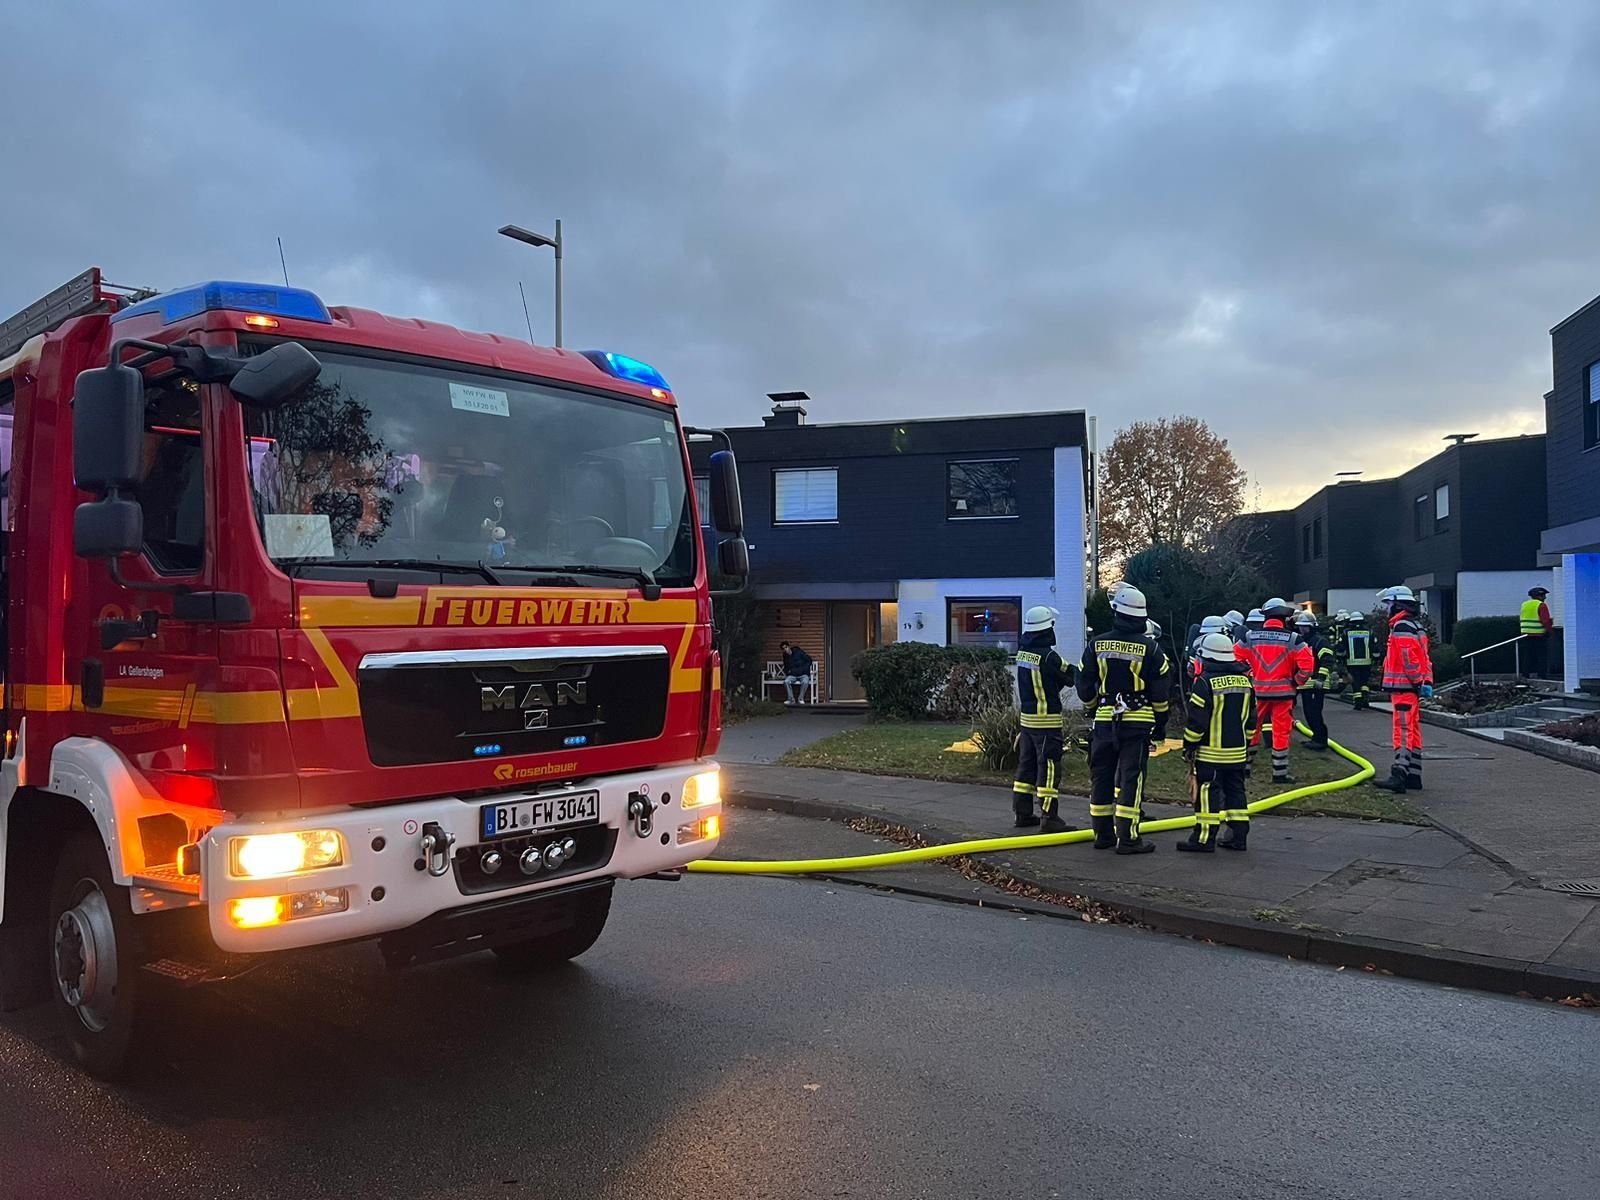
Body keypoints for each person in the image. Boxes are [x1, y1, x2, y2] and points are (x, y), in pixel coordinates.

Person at [1076, 583, 1171, 854]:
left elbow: (1084, 684)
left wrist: (1096, 707)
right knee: (1131, 777)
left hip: (1105, 721)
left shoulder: (1096, 644)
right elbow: (1161, 694)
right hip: (1138, 721)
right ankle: (1128, 839)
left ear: (1116, 612)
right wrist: (1160, 725)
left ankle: (1103, 834)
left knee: (1101, 776)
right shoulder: (1152, 650)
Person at [1178, 633, 1257, 852]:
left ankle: (1203, 839)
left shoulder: (1204, 683)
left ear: (1205, 658)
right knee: (1236, 793)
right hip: (1237, 753)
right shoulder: (1245, 681)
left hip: (1210, 754)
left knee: (1207, 795)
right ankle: (1238, 837)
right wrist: (1247, 742)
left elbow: (1197, 722)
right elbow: (1252, 719)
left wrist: (1189, 746)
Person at [1236, 597, 1312, 784]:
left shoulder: (1250, 637)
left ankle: (1244, 768)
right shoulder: (1294, 639)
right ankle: (1280, 773)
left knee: (1251, 728)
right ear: (1284, 618)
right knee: (1281, 731)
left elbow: (1235, 658)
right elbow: (1307, 667)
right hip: (1283, 694)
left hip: (1257, 692)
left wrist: (1249, 675)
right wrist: (1296, 682)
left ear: (1265, 616)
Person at [1013, 606, 1075, 832]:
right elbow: (1070, 675)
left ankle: (1023, 813)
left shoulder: (1023, 653)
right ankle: (1050, 818)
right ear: (1046, 629)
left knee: (1026, 767)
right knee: (1049, 768)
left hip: (1027, 721)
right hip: (1047, 722)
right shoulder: (1049, 656)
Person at [1373, 585, 1434, 792]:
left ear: (1397, 604)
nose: (1387, 608)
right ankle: (1414, 776)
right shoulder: (1415, 625)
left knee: (1403, 730)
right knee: (1413, 730)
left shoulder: (1402, 627)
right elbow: (1424, 658)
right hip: (1412, 687)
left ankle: (1398, 774)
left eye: (1389, 604)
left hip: (1404, 687)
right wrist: (1424, 682)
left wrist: (1417, 680)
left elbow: (1409, 658)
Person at [1293, 610, 1336, 751]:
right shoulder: (1302, 641)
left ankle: (1320, 740)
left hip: (1317, 684)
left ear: (1312, 626)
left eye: (1304, 626)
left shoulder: (1319, 641)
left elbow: (1328, 660)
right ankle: (1316, 738)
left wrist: (1321, 677)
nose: (1301, 629)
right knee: (1309, 714)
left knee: (1314, 713)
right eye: (1300, 626)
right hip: (1305, 684)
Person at [1520, 586, 1555, 678]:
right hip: (1539, 634)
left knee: (1527, 656)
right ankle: (1542, 675)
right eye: (1543, 595)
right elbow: (1545, 620)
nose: (1545, 598)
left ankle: (1525, 675)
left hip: (1525, 634)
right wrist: (1550, 631)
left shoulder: (1525, 604)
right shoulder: (1541, 605)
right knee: (1541, 656)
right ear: (1538, 596)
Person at [1344, 612, 1374, 709]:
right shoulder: (1369, 632)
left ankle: (1358, 703)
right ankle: (1365, 699)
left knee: (1355, 683)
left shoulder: (1346, 633)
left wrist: (1341, 660)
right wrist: (1376, 659)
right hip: (1367, 662)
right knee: (1364, 682)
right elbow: (1375, 648)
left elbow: (1341, 649)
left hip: (1352, 663)